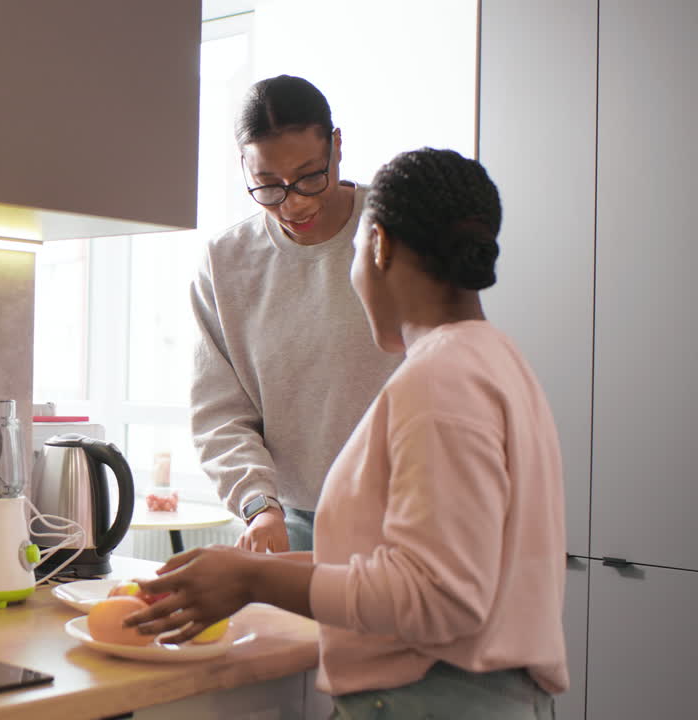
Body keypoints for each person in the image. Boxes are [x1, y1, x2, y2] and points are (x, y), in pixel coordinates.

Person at [129, 148, 568, 717]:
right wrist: (245, 571)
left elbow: (437, 597)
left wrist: (254, 584)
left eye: (356, 249)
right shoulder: (494, 360)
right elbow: (412, 567)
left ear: (378, 245)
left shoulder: (441, 378)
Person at [191, 75, 402, 553]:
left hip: (404, 514)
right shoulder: (226, 263)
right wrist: (258, 504)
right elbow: (219, 413)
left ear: (337, 146)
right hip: (289, 521)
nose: (295, 202)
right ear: (243, 167)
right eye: (267, 186)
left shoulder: (398, 230)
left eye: (310, 176)